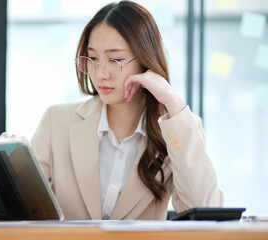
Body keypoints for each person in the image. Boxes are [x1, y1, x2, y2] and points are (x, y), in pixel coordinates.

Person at [30, 1, 223, 220]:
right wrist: (12, 166)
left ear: (144, 60)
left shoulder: (171, 134)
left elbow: (207, 210)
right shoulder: (56, 122)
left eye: (115, 60)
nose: (101, 73)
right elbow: (22, 209)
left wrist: (173, 101)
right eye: (93, 58)